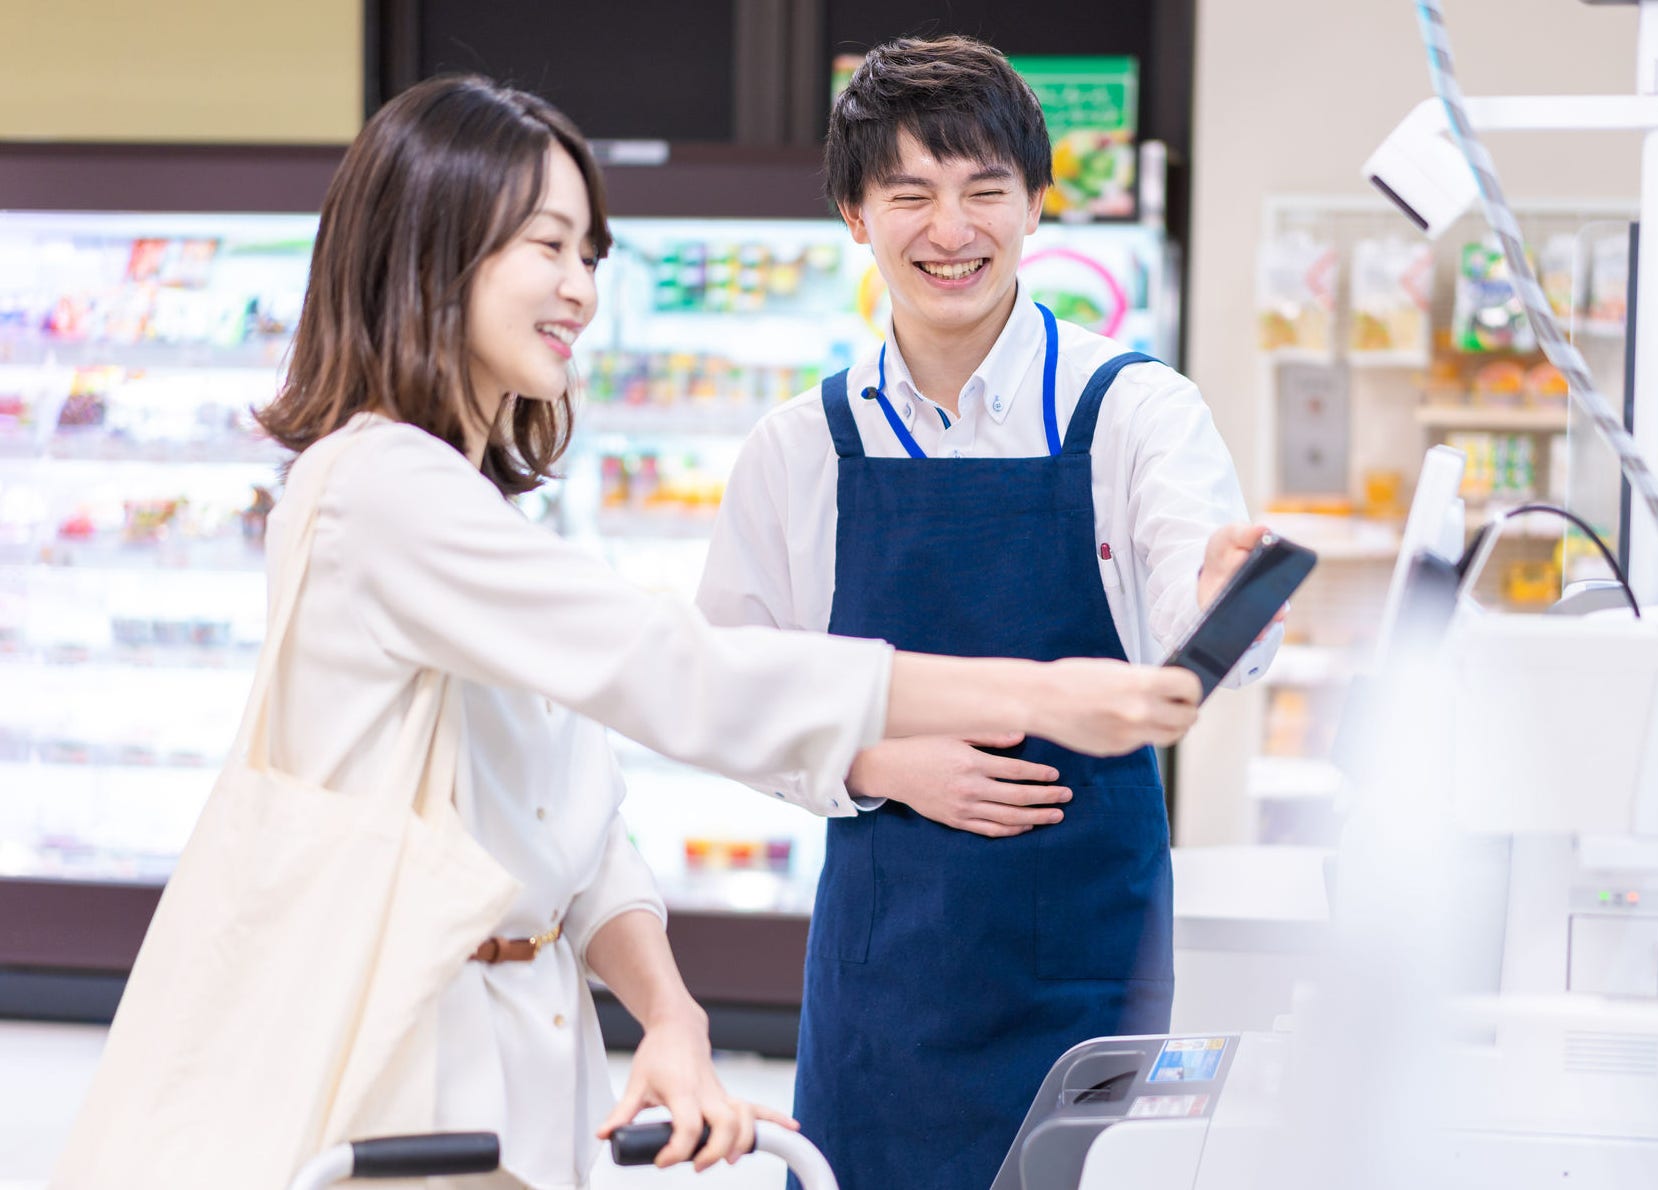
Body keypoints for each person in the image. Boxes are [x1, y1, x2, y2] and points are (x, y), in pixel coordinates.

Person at [212, 75, 1197, 1190]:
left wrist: (672, 1014)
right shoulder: (378, 492)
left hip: (534, 1047)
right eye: (548, 245)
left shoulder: (468, 501)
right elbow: (681, 667)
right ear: (432, 255)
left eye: (590, 252)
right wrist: (1035, 696)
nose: (582, 289)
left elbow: (572, 814)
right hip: (399, 1054)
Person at [694, 36, 1277, 1190]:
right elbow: (724, 689)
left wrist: (1223, 601)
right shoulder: (800, 447)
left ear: (1038, 203)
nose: (950, 229)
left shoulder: (1133, 411)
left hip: (1093, 958)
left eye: (983, 190)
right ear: (855, 215)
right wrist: (876, 763)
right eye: (909, 193)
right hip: (886, 973)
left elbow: (1194, 621)